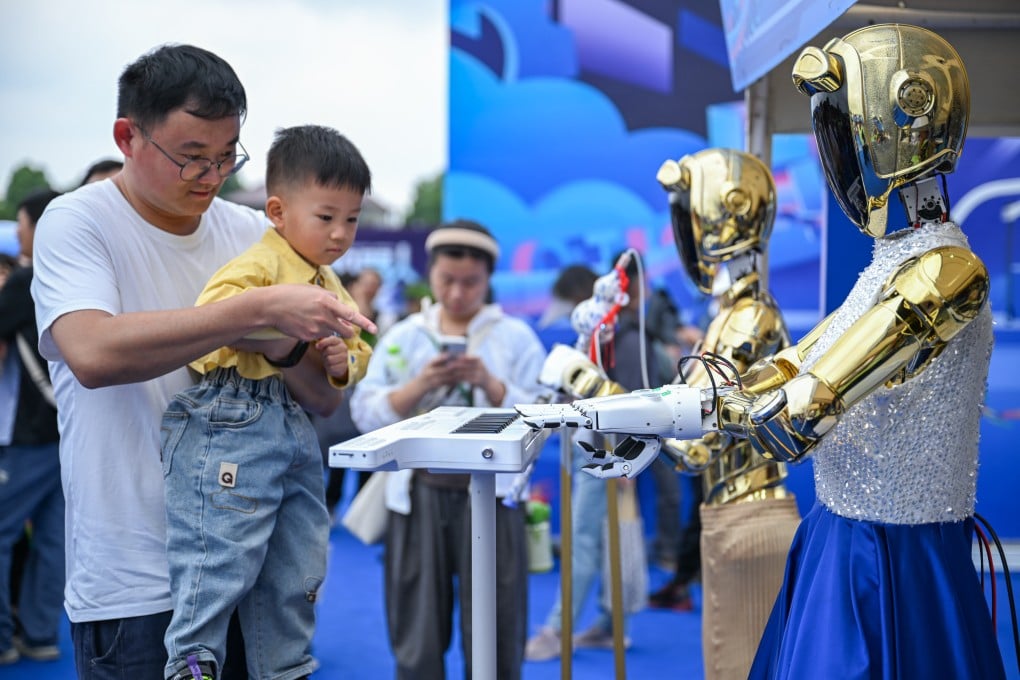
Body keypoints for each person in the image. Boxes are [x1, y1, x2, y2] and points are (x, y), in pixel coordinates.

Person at [551, 24, 1007, 679]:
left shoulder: (946, 273)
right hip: (843, 543)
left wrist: (649, 408)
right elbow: (792, 367)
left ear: (898, 126)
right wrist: (658, 407)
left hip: (895, 563)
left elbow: (800, 411)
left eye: (845, 130)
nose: (837, 155)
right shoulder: (891, 267)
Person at [31, 44, 375, 680]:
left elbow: (324, 401)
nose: (211, 175)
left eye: (226, 156)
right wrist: (251, 312)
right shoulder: (78, 222)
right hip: (136, 578)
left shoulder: (254, 234)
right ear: (127, 137)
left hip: (253, 568)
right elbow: (92, 352)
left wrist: (300, 346)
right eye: (190, 156)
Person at [160, 124, 374, 680]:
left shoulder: (326, 279)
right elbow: (214, 319)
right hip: (236, 413)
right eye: (326, 217)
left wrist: (341, 362)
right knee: (221, 550)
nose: (340, 233)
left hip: (293, 427)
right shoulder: (262, 265)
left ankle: (284, 664)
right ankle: (193, 658)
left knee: (301, 559)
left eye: (351, 219)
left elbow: (358, 342)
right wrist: (277, 321)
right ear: (277, 211)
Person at [350, 219, 547, 680]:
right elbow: (364, 411)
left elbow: (545, 416)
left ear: (489, 279)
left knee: (497, 630)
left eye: (471, 282)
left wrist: (491, 384)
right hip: (418, 493)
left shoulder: (514, 337)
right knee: (416, 634)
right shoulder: (404, 336)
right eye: (447, 280)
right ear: (432, 275)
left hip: (494, 499)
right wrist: (420, 385)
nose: (458, 293)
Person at [650, 148, 801, 679]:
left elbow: (693, 442)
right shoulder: (733, 315)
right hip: (732, 517)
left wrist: (598, 396)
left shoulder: (748, 319)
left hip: (748, 520)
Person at [525, 254, 658, 661]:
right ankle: (607, 624)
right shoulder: (603, 338)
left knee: (584, 541)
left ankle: (557, 627)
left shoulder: (626, 339)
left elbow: (635, 403)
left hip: (603, 454)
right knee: (599, 540)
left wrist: (623, 459)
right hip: (591, 448)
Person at [0, 189, 63, 665]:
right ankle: (40, 633)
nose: (19, 233)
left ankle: (2, 639)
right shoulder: (79, 276)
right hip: (74, 429)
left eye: (22, 224)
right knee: (53, 539)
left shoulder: (27, 281)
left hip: (30, 433)